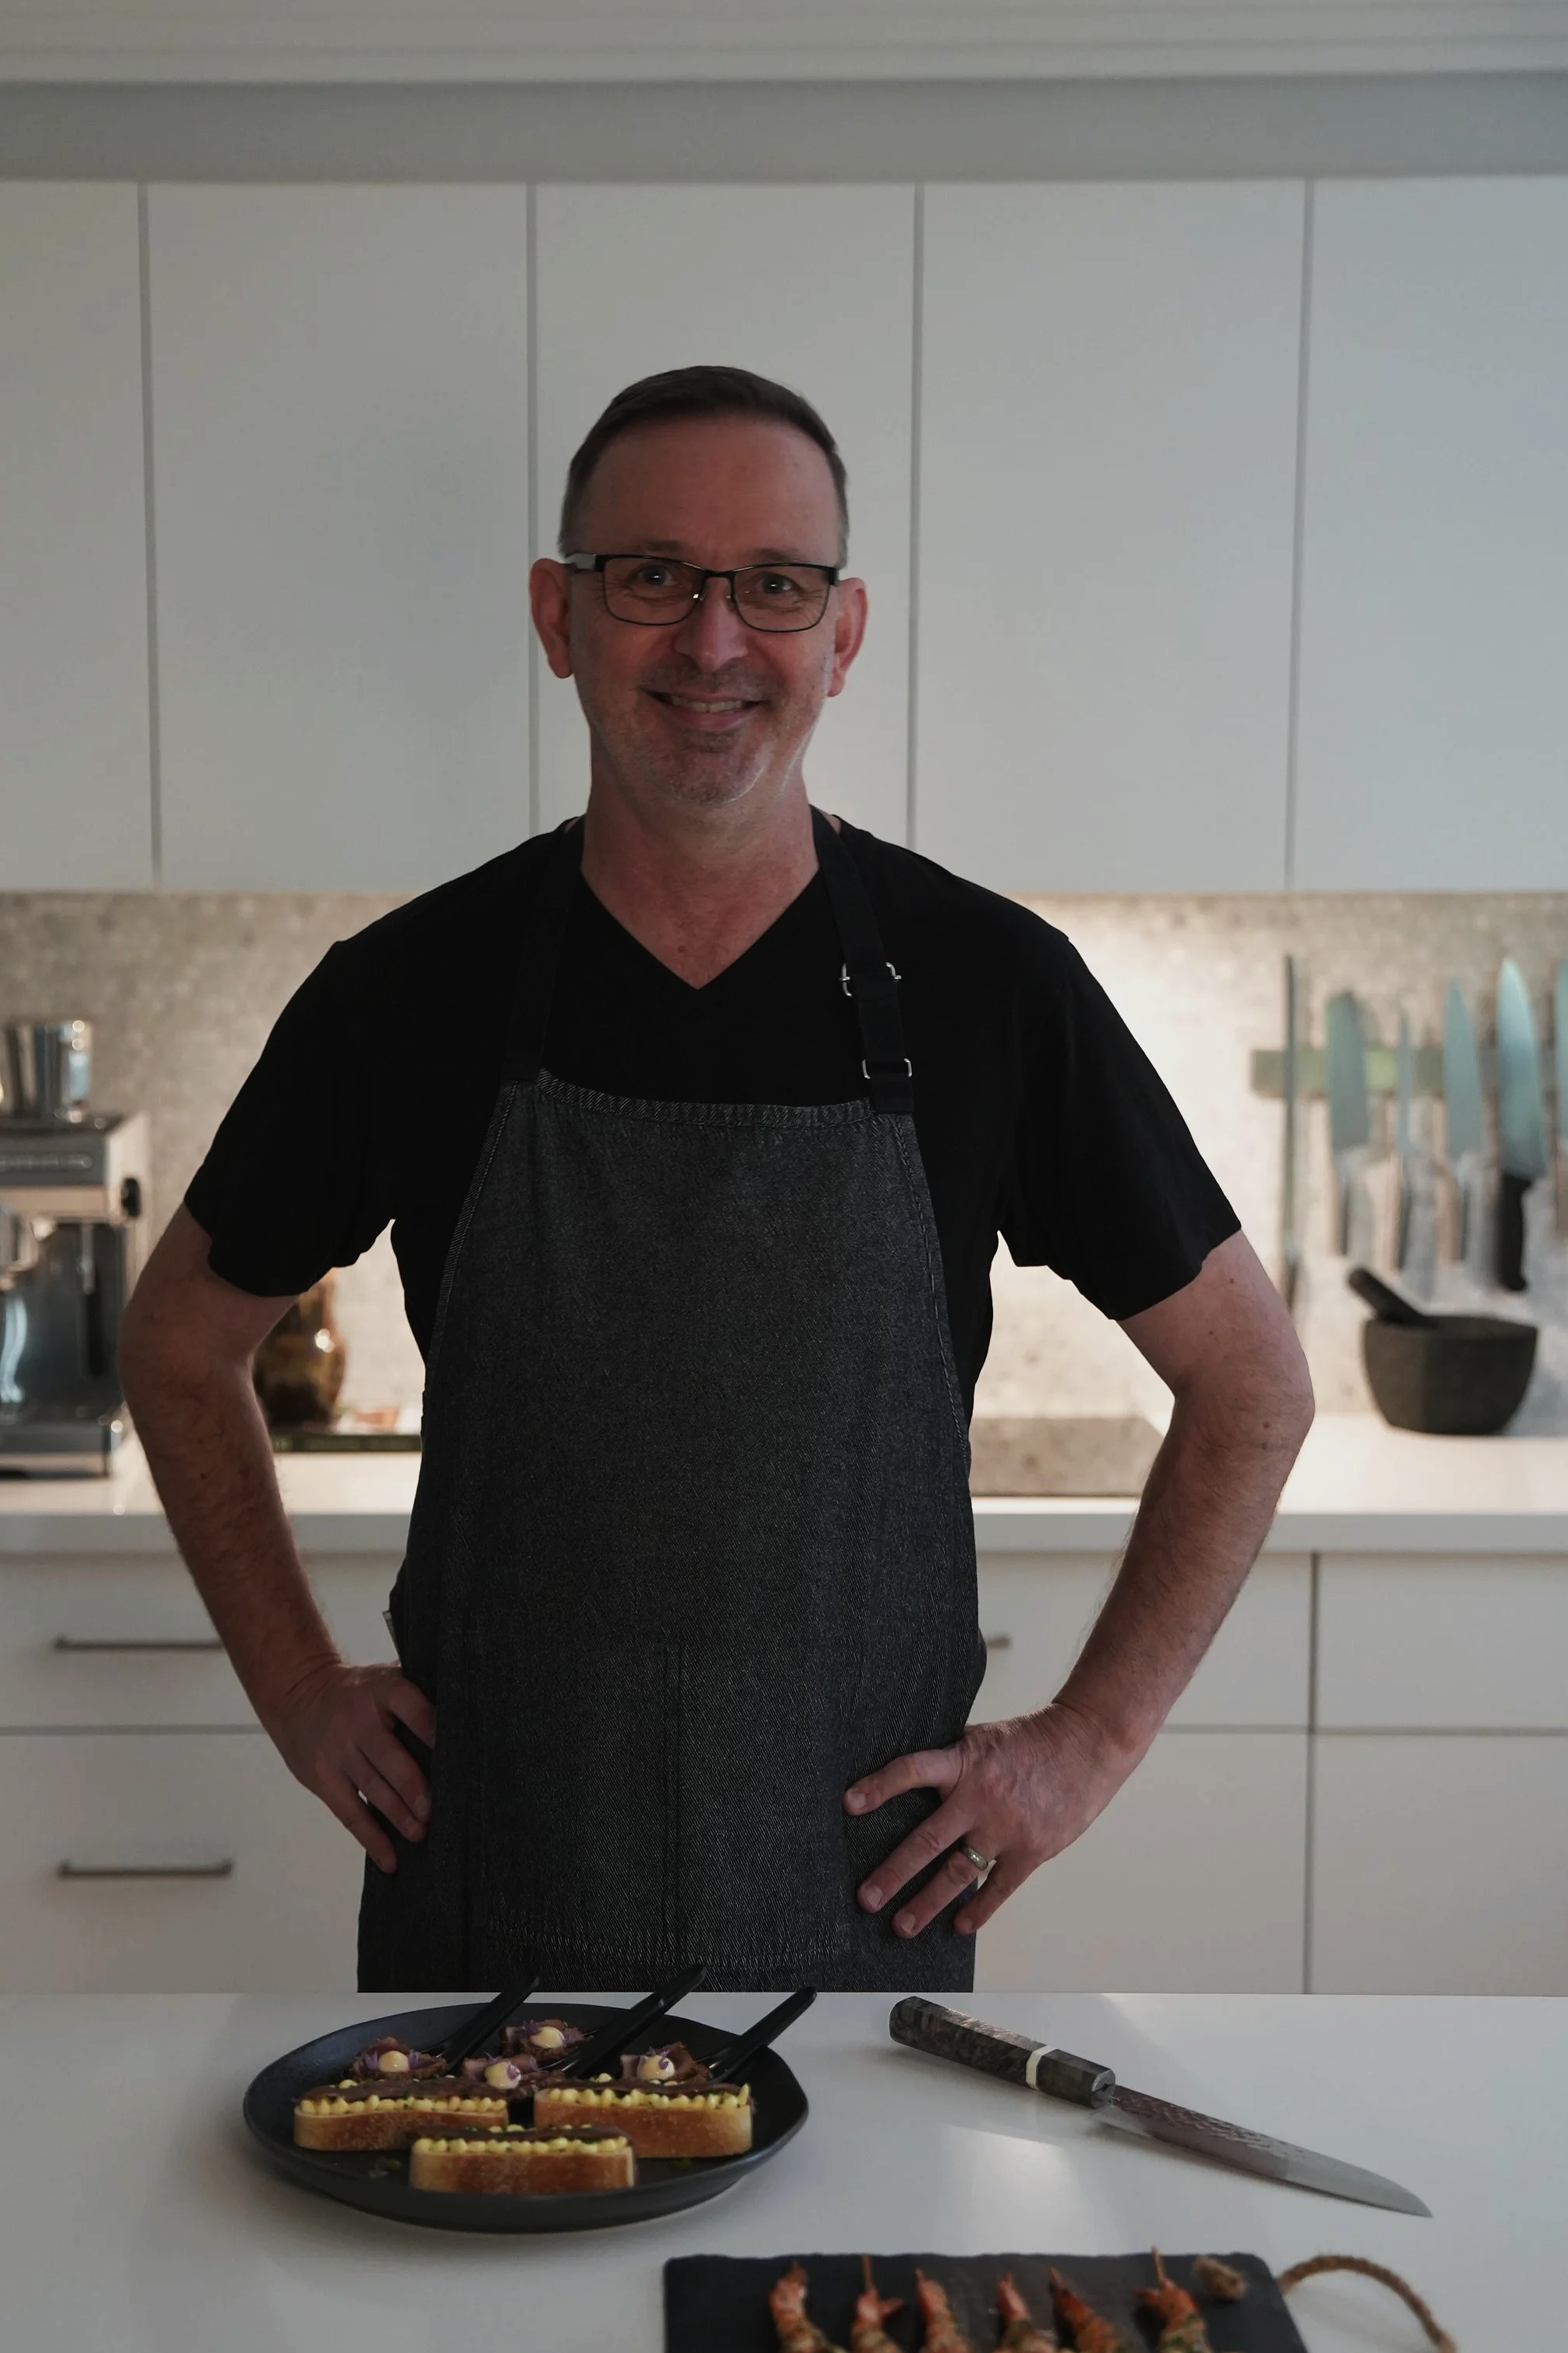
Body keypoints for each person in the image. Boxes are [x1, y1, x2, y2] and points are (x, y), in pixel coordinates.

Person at [121, 364, 1313, 1994]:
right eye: (652, 577)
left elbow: (1253, 1383)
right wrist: (297, 1688)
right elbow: (177, 1345)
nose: (712, 640)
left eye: (773, 584)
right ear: (559, 613)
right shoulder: (409, 989)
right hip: (487, 1933)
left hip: (859, 1931)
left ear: (843, 631)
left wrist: (1086, 1744)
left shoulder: (988, 986)